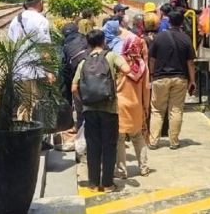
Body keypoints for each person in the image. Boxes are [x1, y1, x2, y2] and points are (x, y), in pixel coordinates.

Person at [72, 29, 130, 192]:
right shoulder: (111, 56)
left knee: (93, 145)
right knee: (109, 145)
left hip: (89, 109)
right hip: (109, 108)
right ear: (103, 41)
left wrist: (84, 101)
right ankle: (107, 183)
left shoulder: (83, 61)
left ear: (89, 44)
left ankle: (93, 183)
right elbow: (127, 70)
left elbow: (74, 87)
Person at [148, 10, 196, 150]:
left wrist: (152, 76)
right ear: (182, 22)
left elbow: (152, 59)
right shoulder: (186, 39)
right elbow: (190, 63)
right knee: (175, 110)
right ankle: (174, 141)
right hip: (180, 78)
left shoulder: (159, 37)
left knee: (157, 110)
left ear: (169, 22)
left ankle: (153, 141)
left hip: (160, 78)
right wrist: (192, 81)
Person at [6, 0, 53, 121]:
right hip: (36, 71)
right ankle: (36, 136)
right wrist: (49, 70)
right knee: (37, 105)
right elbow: (45, 48)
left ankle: (23, 134)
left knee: (23, 106)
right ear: (41, 2)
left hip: (19, 70)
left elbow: (10, 47)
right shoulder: (41, 20)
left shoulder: (15, 20)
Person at [115, 35, 150, 178]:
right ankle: (144, 167)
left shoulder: (119, 62)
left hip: (120, 104)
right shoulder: (142, 66)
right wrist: (145, 107)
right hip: (136, 105)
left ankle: (122, 171)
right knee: (137, 136)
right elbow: (146, 89)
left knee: (120, 139)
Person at [60, 22, 89, 130]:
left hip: (78, 76)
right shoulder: (85, 38)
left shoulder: (65, 46)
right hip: (98, 73)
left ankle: (80, 127)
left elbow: (64, 69)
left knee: (79, 105)